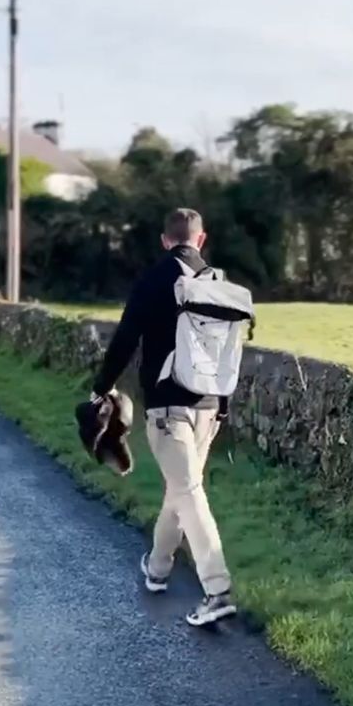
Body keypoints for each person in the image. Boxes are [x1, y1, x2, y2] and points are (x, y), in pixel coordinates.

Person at [91, 207, 235, 626]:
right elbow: (226, 352)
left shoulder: (154, 279)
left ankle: (217, 588)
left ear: (164, 240)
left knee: (187, 492)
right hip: (209, 406)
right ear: (201, 239)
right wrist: (223, 405)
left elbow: (124, 340)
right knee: (181, 489)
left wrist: (101, 388)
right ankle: (157, 569)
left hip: (167, 408)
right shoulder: (216, 282)